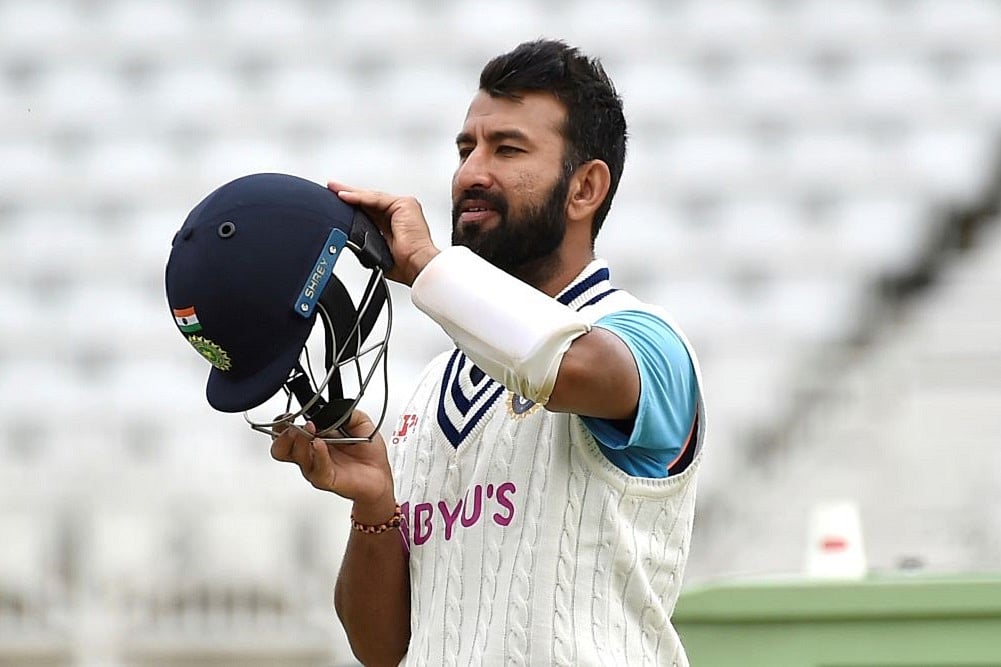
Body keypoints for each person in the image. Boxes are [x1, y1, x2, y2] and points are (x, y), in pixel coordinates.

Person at [270, 38, 706, 666]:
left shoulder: (649, 341)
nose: (471, 173)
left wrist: (427, 266)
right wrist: (375, 506)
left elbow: (565, 365)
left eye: (507, 149)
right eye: (465, 149)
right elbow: (382, 649)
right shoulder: (431, 387)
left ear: (585, 188)